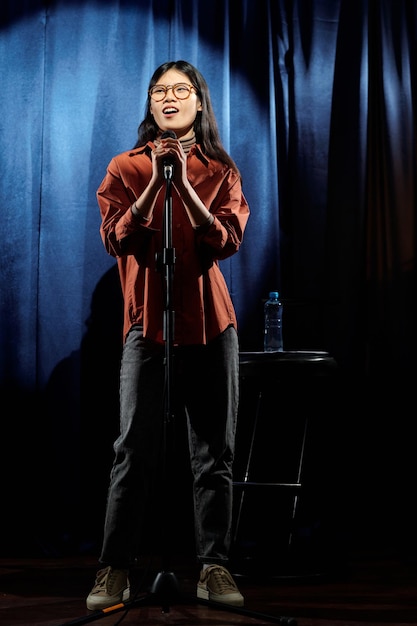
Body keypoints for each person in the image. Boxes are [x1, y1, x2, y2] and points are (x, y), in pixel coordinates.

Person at [86, 60, 250, 611]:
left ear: (199, 104)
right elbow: (116, 238)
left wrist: (188, 186)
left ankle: (214, 567)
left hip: (211, 324)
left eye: (182, 91)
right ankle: (115, 569)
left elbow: (226, 241)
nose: (170, 98)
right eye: (160, 92)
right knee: (132, 448)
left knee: (214, 453)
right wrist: (158, 180)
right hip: (146, 325)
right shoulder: (125, 167)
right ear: (150, 104)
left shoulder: (220, 167)